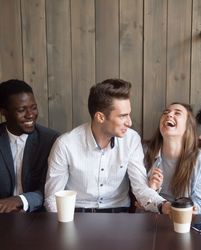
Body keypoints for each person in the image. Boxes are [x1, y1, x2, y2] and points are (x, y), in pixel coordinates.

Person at [45, 78, 166, 213]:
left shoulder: (131, 139)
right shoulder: (65, 144)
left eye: (129, 114)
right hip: (77, 215)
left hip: (120, 217)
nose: (129, 122)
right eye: (122, 116)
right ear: (100, 117)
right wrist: (63, 229)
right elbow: (52, 198)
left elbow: (141, 189)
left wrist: (164, 206)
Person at [0, 79, 59, 213]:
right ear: (4, 112)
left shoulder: (50, 140)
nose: (30, 115)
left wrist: (20, 200)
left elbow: (53, 188)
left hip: (38, 216)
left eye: (34, 108)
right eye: (21, 110)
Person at [145, 103, 201, 214]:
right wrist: (152, 190)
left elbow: (198, 204)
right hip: (152, 219)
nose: (169, 115)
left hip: (187, 221)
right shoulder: (145, 152)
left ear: (188, 126)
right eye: (166, 112)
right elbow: (141, 198)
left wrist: (175, 211)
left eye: (177, 113)